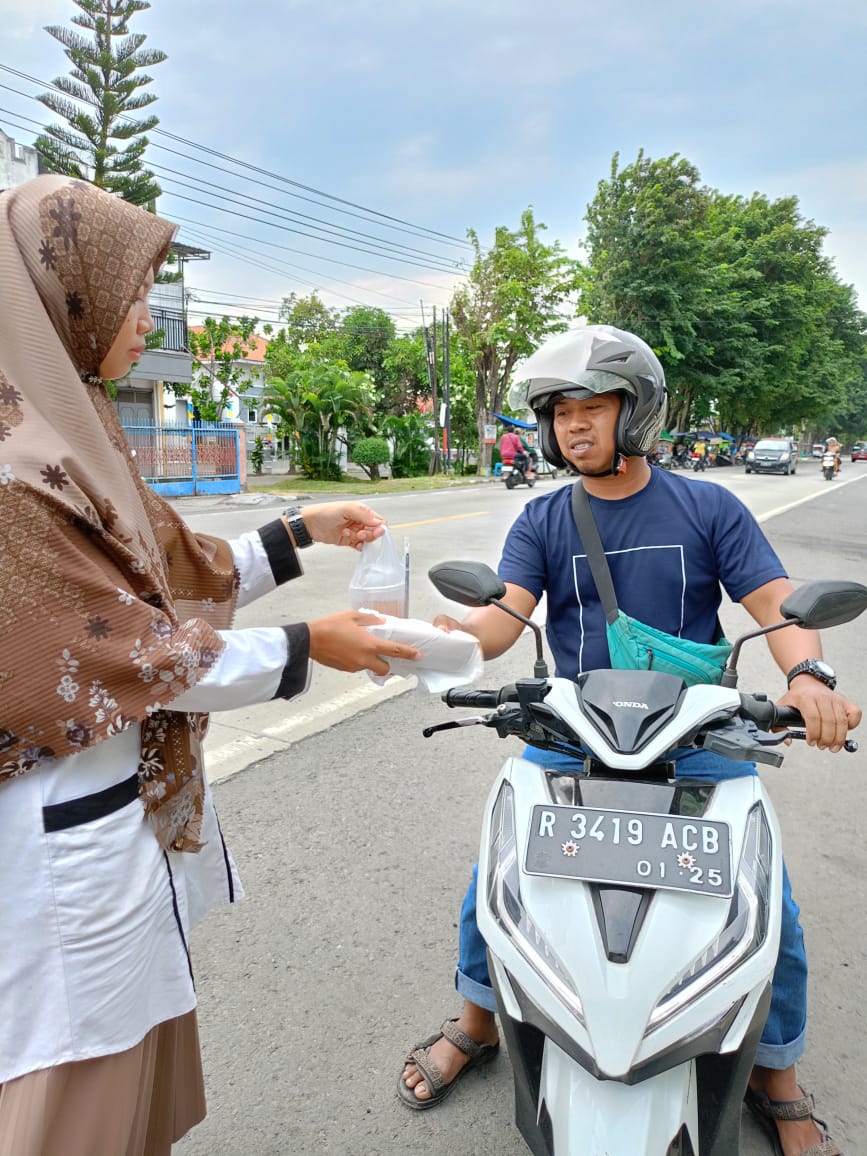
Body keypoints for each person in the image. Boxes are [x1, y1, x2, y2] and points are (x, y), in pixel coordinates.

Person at [0, 175, 423, 1156]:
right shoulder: (17, 476)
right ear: (67, 296)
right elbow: (124, 655)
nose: (146, 316)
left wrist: (299, 530)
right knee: (68, 1100)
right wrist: (315, 645)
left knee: (127, 1066)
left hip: (111, 835)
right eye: (132, 294)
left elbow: (173, 573)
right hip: (58, 854)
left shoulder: (73, 432)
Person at [399, 325, 859, 1156]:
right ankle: (477, 1022)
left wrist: (807, 681)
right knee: (496, 884)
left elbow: (775, 605)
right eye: (560, 412)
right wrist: (442, 637)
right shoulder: (543, 517)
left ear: (634, 412)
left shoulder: (706, 507)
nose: (574, 426)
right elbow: (502, 617)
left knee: (766, 908)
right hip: (576, 734)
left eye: (592, 406)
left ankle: (776, 1073)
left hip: (694, 733)